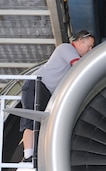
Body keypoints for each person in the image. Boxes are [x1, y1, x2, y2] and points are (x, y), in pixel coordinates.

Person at [21, 30, 95, 161]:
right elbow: (79, 67)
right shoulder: (65, 48)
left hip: (46, 91)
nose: (90, 50)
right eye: (89, 46)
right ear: (78, 41)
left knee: (40, 123)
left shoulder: (70, 58)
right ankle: (28, 156)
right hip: (36, 85)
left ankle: (33, 154)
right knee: (31, 121)